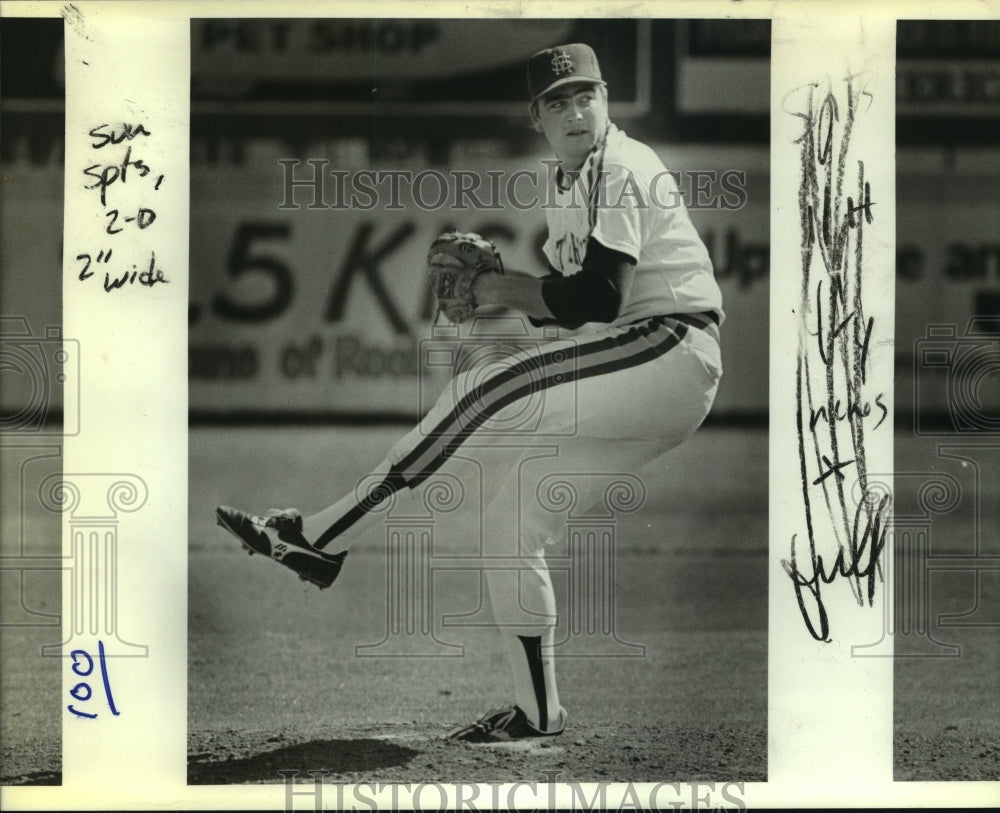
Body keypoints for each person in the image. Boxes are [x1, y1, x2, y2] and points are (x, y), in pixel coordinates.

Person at [216, 43, 724, 743]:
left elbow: (600, 298)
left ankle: (321, 536)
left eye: (586, 96)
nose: (575, 111)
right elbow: (561, 303)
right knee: (511, 518)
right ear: (536, 119)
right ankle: (538, 710)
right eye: (557, 102)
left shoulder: (623, 167)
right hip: (648, 368)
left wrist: (494, 286)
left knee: (485, 385)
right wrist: (507, 282)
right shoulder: (567, 183)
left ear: (607, 99)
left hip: (670, 346)